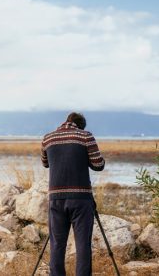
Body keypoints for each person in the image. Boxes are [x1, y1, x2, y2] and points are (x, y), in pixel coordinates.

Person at [41, 112, 105, 276]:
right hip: (81, 199)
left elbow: (45, 163)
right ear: (80, 125)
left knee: (57, 245)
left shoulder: (47, 138)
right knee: (83, 245)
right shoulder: (86, 136)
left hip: (56, 199)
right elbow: (98, 165)